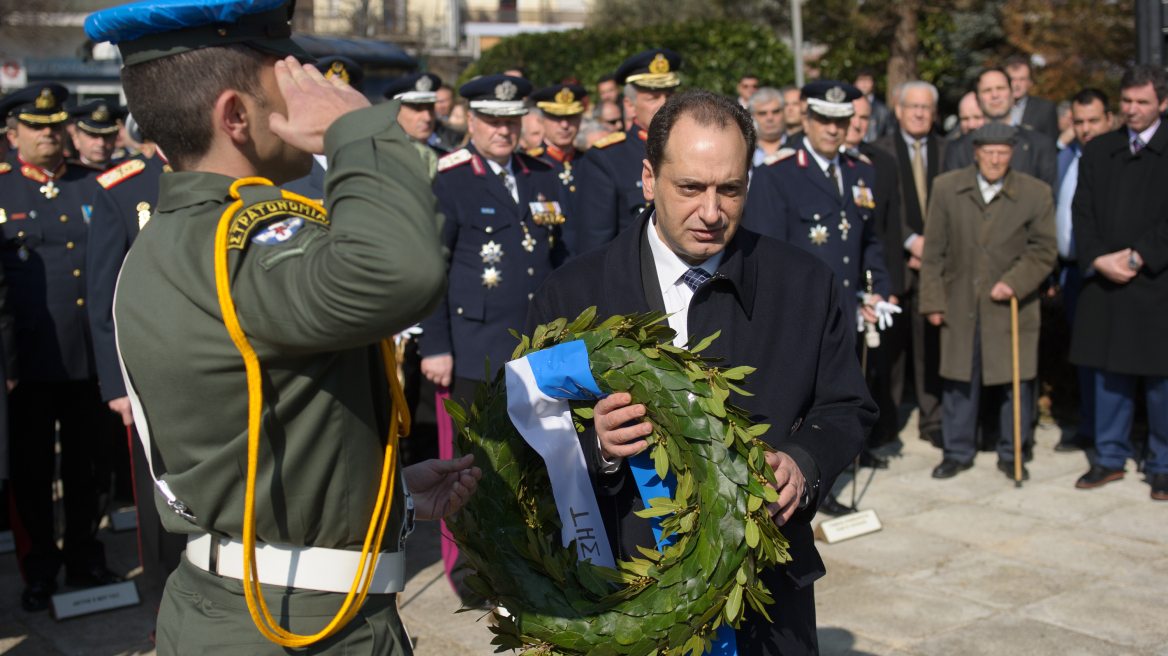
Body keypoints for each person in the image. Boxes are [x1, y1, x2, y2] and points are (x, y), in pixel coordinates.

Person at [86, 1, 484, 652]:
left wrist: (385, 498)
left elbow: (265, 429)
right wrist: (360, 132)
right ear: (236, 116)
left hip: (261, 601)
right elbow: (404, 275)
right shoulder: (245, 239)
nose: (312, 90)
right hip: (297, 630)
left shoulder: (183, 236)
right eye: (287, 79)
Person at [526, 88, 873, 656]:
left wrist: (803, 463)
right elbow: (525, 439)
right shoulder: (573, 294)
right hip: (615, 593)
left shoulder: (805, 284)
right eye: (690, 187)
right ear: (647, 178)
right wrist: (598, 447)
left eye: (729, 189)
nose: (711, 212)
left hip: (764, 595)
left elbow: (847, 406)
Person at [743, 82, 895, 513]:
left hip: (847, 303)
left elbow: (869, 241)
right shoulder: (779, 172)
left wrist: (876, 288)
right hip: (800, 307)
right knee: (804, 398)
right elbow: (767, 251)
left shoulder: (862, 169)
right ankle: (814, 481)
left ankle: (838, 458)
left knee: (843, 393)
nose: (833, 129)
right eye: (825, 120)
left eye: (841, 121)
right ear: (806, 118)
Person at [0, 83, 123, 612]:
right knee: (31, 471)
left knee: (89, 465)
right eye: (36, 126)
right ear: (12, 134)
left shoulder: (93, 185)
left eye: (55, 126)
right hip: (26, 361)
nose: (49, 134)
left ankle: (84, 552)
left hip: (88, 356)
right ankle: (39, 566)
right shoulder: (3, 191)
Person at [919, 123, 1057, 480]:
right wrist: (933, 301)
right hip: (959, 300)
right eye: (988, 152)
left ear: (1012, 153)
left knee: (1015, 380)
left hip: (1011, 305)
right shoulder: (947, 188)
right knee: (958, 378)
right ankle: (957, 450)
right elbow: (933, 251)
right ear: (976, 151)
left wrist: (1014, 282)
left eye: (1003, 152)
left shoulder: (1035, 193)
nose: (995, 159)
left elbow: (1044, 250)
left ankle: (1014, 451)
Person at [417, 74, 566, 400]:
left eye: (511, 121)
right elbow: (430, 268)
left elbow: (559, 256)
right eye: (493, 121)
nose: (503, 130)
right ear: (471, 121)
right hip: (475, 348)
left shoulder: (541, 174)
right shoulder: (450, 178)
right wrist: (435, 346)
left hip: (537, 344)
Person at [85, 141, 177, 615]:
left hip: (221, 367)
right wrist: (116, 385)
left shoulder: (231, 173)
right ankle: (166, 610)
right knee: (158, 496)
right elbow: (102, 300)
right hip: (148, 373)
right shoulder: (123, 188)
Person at [1069, 65, 1168, 501]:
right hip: (1105, 280)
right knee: (1108, 376)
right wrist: (1096, 257)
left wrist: (1140, 254)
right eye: (1126, 101)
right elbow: (1081, 210)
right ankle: (1109, 457)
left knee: (1161, 381)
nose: (1132, 109)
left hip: (1156, 282)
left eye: (1142, 102)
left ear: (1162, 102)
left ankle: (1163, 463)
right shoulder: (1099, 149)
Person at [874, 80, 948, 448]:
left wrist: (933, 247)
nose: (919, 113)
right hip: (898, 259)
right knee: (894, 347)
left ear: (934, 113)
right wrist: (911, 241)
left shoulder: (949, 150)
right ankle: (890, 419)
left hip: (940, 262)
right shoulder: (879, 151)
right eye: (912, 107)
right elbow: (883, 208)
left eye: (926, 108)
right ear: (899, 110)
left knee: (932, 342)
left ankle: (932, 418)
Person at [573, 48, 681, 255]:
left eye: (669, 95)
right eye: (653, 97)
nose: (665, 104)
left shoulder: (692, 150)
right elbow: (596, 245)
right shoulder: (607, 158)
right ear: (630, 106)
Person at [1053, 88, 1112, 454]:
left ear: (1109, 120)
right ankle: (1089, 426)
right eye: (1079, 122)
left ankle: (1109, 435)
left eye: (1094, 120)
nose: (1086, 128)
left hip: (1106, 271)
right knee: (1083, 355)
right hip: (1069, 271)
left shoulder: (1116, 158)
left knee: (1109, 360)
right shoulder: (1064, 159)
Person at [848, 94, 905, 453]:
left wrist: (887, 287)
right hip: (837, 287)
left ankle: (867, 442)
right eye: (851, 118)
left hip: (868, 281)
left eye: (865, 118)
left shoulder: (877, 163)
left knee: (868, 373)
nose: (856, 125)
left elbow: (885, 230)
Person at [944, 68, 1058, 193]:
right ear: (977, 99)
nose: (995, 95)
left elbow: (1048, 199)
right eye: (987, 90)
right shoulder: (958, 148)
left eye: (1000, 88)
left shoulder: (1040, 145)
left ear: (1012, 94)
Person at [281, 55, 362, 201]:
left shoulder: (376, 164)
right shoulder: (285, 171)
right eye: (325, 105)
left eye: (346, 104)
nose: (337, 112)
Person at [527, 83, 588, 256]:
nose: (564, 125)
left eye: (571, 117)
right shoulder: (531, 165)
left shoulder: (591, 162)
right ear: (541, 120)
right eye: (555, 117)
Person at [383, 71, 449, 159]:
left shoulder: (444, 158)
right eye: (417, 109)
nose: (427, 118)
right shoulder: (385, 158)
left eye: (430, 108)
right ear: (396, 112)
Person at [1005, 55, 1059, 140]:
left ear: (1030, 82)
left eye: (1022, 79)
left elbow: (1050, 144)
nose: (1016, 84)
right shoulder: (994, 106)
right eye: (1012, 79)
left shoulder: (1045, 109)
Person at [67, 101, 128, 169]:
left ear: (116, 136)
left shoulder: (128, 175)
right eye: (93, 136)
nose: (101, 143)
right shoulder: (64, 175)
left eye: (107, 135)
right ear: (76, 139)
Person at [748, 86, 785, 166]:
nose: (770, 118)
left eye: (775, 112)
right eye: (762, 113)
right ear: (752, 116)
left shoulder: (798, 146)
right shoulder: (745, 150)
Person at [854, 67, 893, 141]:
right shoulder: (848, 106)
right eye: (861, 80)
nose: (864, 84)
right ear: (855, 83)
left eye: (868, 80)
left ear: (873, 84)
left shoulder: (882, 110)